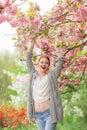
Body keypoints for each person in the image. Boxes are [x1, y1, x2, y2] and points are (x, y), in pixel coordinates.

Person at [26, 41, 64, 130]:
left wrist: (56, 47)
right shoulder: (33, 74)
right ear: (38, 63)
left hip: (49, 114)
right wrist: (32, 44)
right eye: (42, 62)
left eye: (46, 63)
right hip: (37, 115)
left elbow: (61, 60)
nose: (44, 64)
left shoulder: (51, 76)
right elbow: (28, 58)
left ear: (48, 66)